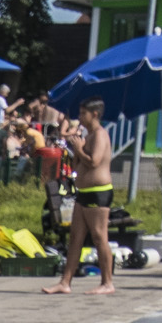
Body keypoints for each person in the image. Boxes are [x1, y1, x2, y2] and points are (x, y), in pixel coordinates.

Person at [43, 96, 118, 295]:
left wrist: (79, 149)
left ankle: (107, 282)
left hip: (98, 192)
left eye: (83, 113)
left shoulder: (100, 135)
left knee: (99, 236)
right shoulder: (87, 136)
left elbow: (94, 162)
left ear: (95, 114)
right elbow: (78, 165)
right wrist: (76, 149)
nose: (80, 117)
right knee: (75, 237)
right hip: (83, 192)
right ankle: (65, 282)